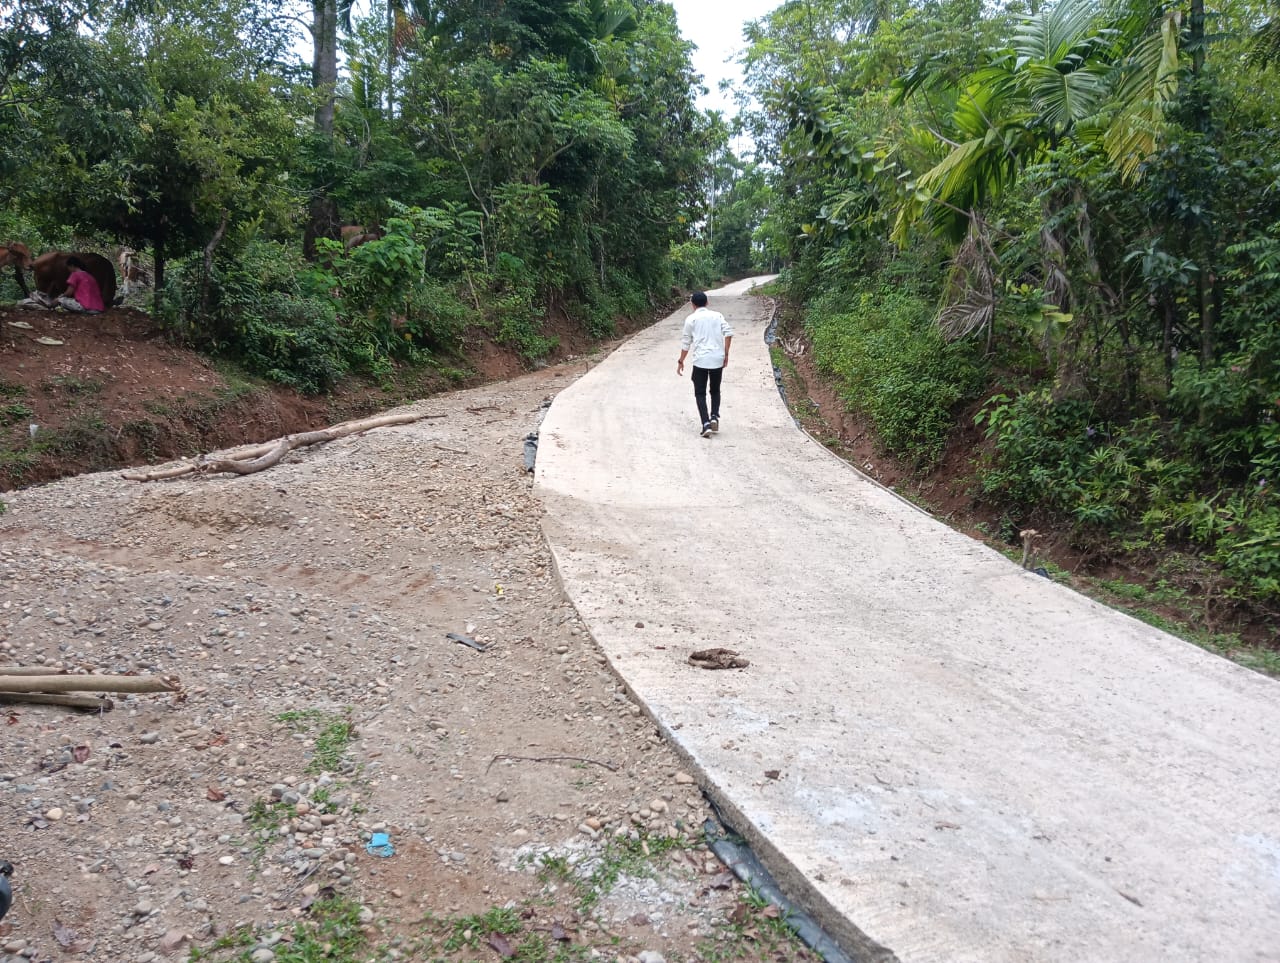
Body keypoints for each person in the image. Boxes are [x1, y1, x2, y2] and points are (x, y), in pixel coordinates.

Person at [676, 291, 734, 437]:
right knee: (715, 390)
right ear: (707, 302)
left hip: (700, 360)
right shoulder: (717, 315)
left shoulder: (691, 319)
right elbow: (728, 333)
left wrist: (681, 360)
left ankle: (706, 424)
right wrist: (725, 353)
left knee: (700, 392)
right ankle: (714, 415)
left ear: (692, 305)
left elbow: (686, 343)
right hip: (717, 359)